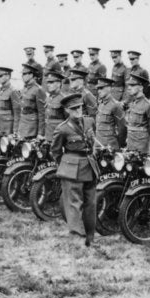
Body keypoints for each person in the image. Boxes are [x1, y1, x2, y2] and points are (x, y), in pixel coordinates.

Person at [52, 93, 98, 246]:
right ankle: (77, 238)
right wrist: (66, 165)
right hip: (72, 169)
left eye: (79, 107)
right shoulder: (62, 129)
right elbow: (56, 151)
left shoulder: (89, 121)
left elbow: (92, 141)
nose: (78, 111)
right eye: (74, 109)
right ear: (67, 110)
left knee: (90, 204)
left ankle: (90, 238)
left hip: (89, 166)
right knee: (74, 204)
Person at [94, 77, 127, 150]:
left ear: (109, 88)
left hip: (110, 147)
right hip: (98, 145)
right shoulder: (101, 104)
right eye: (98, 89)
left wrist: (119, 144)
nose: (99, 91)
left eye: (101, 88)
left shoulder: (116, 105)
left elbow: (122, 128)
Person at [18, 63, 47, 139]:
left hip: (32, 127)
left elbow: (42, 113)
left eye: (24, 74)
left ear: (31, 75)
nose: (22, 76)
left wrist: (41, 133)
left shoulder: (38, 90)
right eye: (22, 74)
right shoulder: (24, 89)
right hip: (22, 125)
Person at [124, 73, 150, 152]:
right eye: (129, 85)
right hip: (130, 142)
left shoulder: (147, 105)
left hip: (141, 144)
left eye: (132, 85)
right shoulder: (132, 103)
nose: (129, 88)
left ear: (140, 87)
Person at [0, 66, 21, 134]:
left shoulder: (13, 91)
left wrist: (15, 130)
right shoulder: (0, 90)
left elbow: (17, 113)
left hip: (8, 127)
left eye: (0, 76)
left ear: (8, 76)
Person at [43, 71, 68, 141]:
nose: (48, 85)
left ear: (59, 83)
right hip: (48, 136)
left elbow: (69, 120)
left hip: (59, 137)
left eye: (51, 82)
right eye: (48, 82)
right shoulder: (48, 98)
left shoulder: (64, 99)